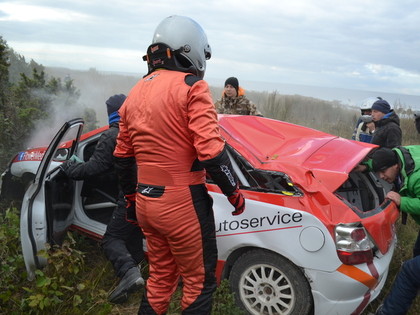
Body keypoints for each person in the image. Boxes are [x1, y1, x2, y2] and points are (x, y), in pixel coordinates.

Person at [113, 15, 245, 315]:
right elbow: (211, 153)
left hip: (146, 202)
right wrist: (234, 192)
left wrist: (132, 202)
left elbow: (122, 158)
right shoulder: (192, 87)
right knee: (198, 284)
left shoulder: (134, 93)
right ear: (192, 49)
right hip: (182, 202)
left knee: (160, 279)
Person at [61, 94, 144, 304]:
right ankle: (137, 277)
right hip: (151, 192)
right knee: (132, 236)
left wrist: (71, 168)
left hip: (130, 196)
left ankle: (129, 274)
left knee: (112, 239)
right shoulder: (141, 130)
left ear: (112, 112)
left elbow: (94, 167)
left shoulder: (112, 135)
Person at [362, 147, 420, 315]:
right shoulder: (403, 155)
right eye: (378, 171)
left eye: (382, 171)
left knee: (410, 271)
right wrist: (368, 166)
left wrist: (402, 200)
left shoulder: (417, 176)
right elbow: (385, 159)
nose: (381, 177)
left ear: (396, 166)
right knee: (417, 253)